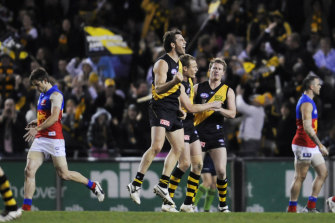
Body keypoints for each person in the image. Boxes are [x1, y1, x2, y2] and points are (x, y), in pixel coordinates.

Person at [22, 68, 105, 211]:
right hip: (41, 139)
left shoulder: (56, 95)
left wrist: (38, 128)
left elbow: (54, 117)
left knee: (64, 175)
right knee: (29, 170)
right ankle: (26, 209)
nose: (36, 88)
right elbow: (47, 115)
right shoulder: (42, 94)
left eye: (37, 84)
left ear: (45, 81)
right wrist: (38, 120)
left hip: (54, 139)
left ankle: (93, 185)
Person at [127, 29, 186, 206]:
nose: (185, 42)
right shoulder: (162, 63)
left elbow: (178, 90)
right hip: (159, 107)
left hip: (173, 108)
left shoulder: (180, 63)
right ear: (172, 44)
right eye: (181, 40)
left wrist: (182, 107)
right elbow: (159, 88)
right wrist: (175, 81)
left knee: (178, 148)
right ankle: (136, 185)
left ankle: (162, 185)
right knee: (157, 146)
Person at [161, 54, 222, 212]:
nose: (196, 68)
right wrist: (211, 105)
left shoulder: (190, 81)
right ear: (185, 68)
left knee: (198, 165)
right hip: (181, 125)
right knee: (185, 163)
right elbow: (191, 108)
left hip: (190, 123)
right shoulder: (180, 83)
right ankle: (167, 201)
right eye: (193, 66)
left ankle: (188, 204)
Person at [193, 57, 236, 212]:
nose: (216, 71)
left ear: (223, 73)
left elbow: (232, 113)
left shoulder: (227, 91)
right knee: (196, 168)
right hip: (198, 133)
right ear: (209, 70)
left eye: (219, 69)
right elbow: (189, 107)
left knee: (221, 171)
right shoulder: (198, 88)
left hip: (216, 133)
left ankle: (223, 205)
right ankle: (190, 204)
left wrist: (219, 109)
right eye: (214, 68)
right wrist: (206, 106)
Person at [287, 75, 329, 213]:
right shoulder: (306, 103)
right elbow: (307, 127)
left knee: (323, 173)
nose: (320, 86)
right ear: (311, 87)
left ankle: (310, 207)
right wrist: (320, 145)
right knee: (300, 176)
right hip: (303, 144)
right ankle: (292, 210)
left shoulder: (310, 100)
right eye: (318, 84)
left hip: (311, 144)